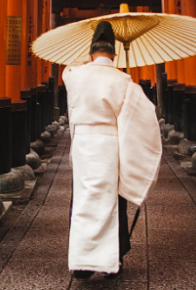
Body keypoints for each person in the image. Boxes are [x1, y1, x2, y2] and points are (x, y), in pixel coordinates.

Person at [63, 21, 162, 280]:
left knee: (83, 201)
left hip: (84, 147)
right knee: (113, 201)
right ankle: (113, 261)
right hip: (110, 146)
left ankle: (82, 265)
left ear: (89, 53)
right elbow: (142, 118)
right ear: (115, 54)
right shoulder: (124, 81)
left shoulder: (72, 75)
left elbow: (70, 70)